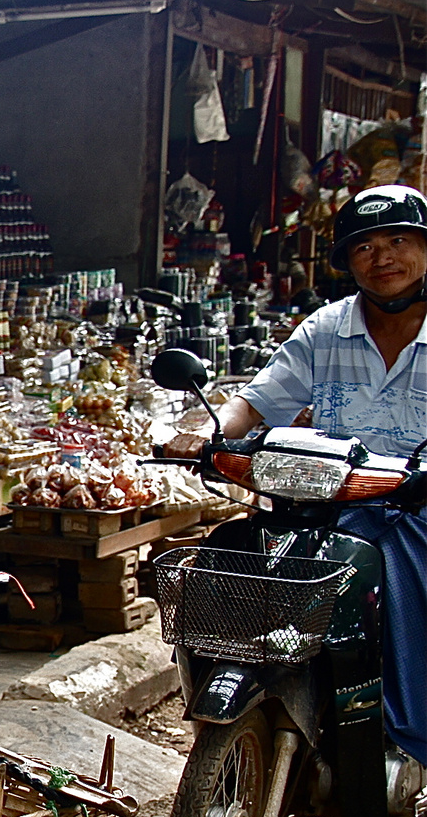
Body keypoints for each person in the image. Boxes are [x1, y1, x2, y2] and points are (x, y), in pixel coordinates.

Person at [168, 184, 427, 768]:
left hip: (416, 507)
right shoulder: (326, 329)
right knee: (234, 559)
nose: (381, 257)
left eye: (399, 241)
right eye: (364, 247)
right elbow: (256, 402)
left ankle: (409, 733)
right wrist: (207, 433)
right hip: (326, 502)